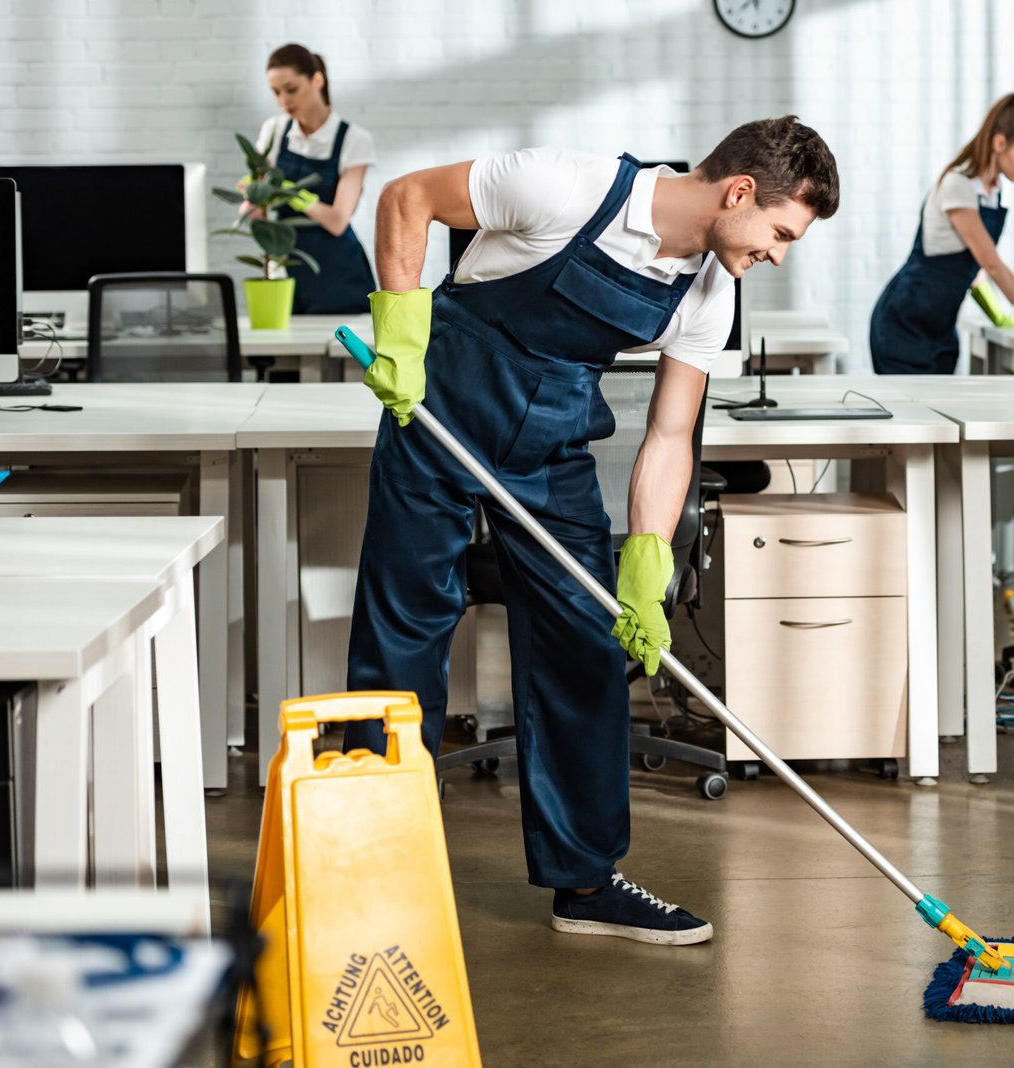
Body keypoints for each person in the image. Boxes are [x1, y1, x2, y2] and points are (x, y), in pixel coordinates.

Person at [342, 118, 839, 946]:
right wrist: (401, 333)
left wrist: (645, 564)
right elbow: (408, 198)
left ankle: (584, 879)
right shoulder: (567, 185)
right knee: (402, 633)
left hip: (553, 440)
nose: (778, 254)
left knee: (584, 643)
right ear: (740, 192)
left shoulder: (711, 289)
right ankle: (369, 874)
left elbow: (671, 434)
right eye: (782, 233)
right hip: (440, 410)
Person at [869, 93, 1014, 374]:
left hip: (940, 326)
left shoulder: (991, 194)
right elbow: (990, 263)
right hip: (905, 323)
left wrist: (998, 315)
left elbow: (972, 268)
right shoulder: (958, 184)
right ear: (1000, 143)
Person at [252, 43, 378, 314]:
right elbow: (257, 205)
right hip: (288, 265)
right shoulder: (275, 130)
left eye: (291, 89)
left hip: (339, 273)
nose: (284, 100)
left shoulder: (354, 139)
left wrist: (293, 196)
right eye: (276, 92)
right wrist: (251, 198)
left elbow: (337, 220)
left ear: (317, 80)